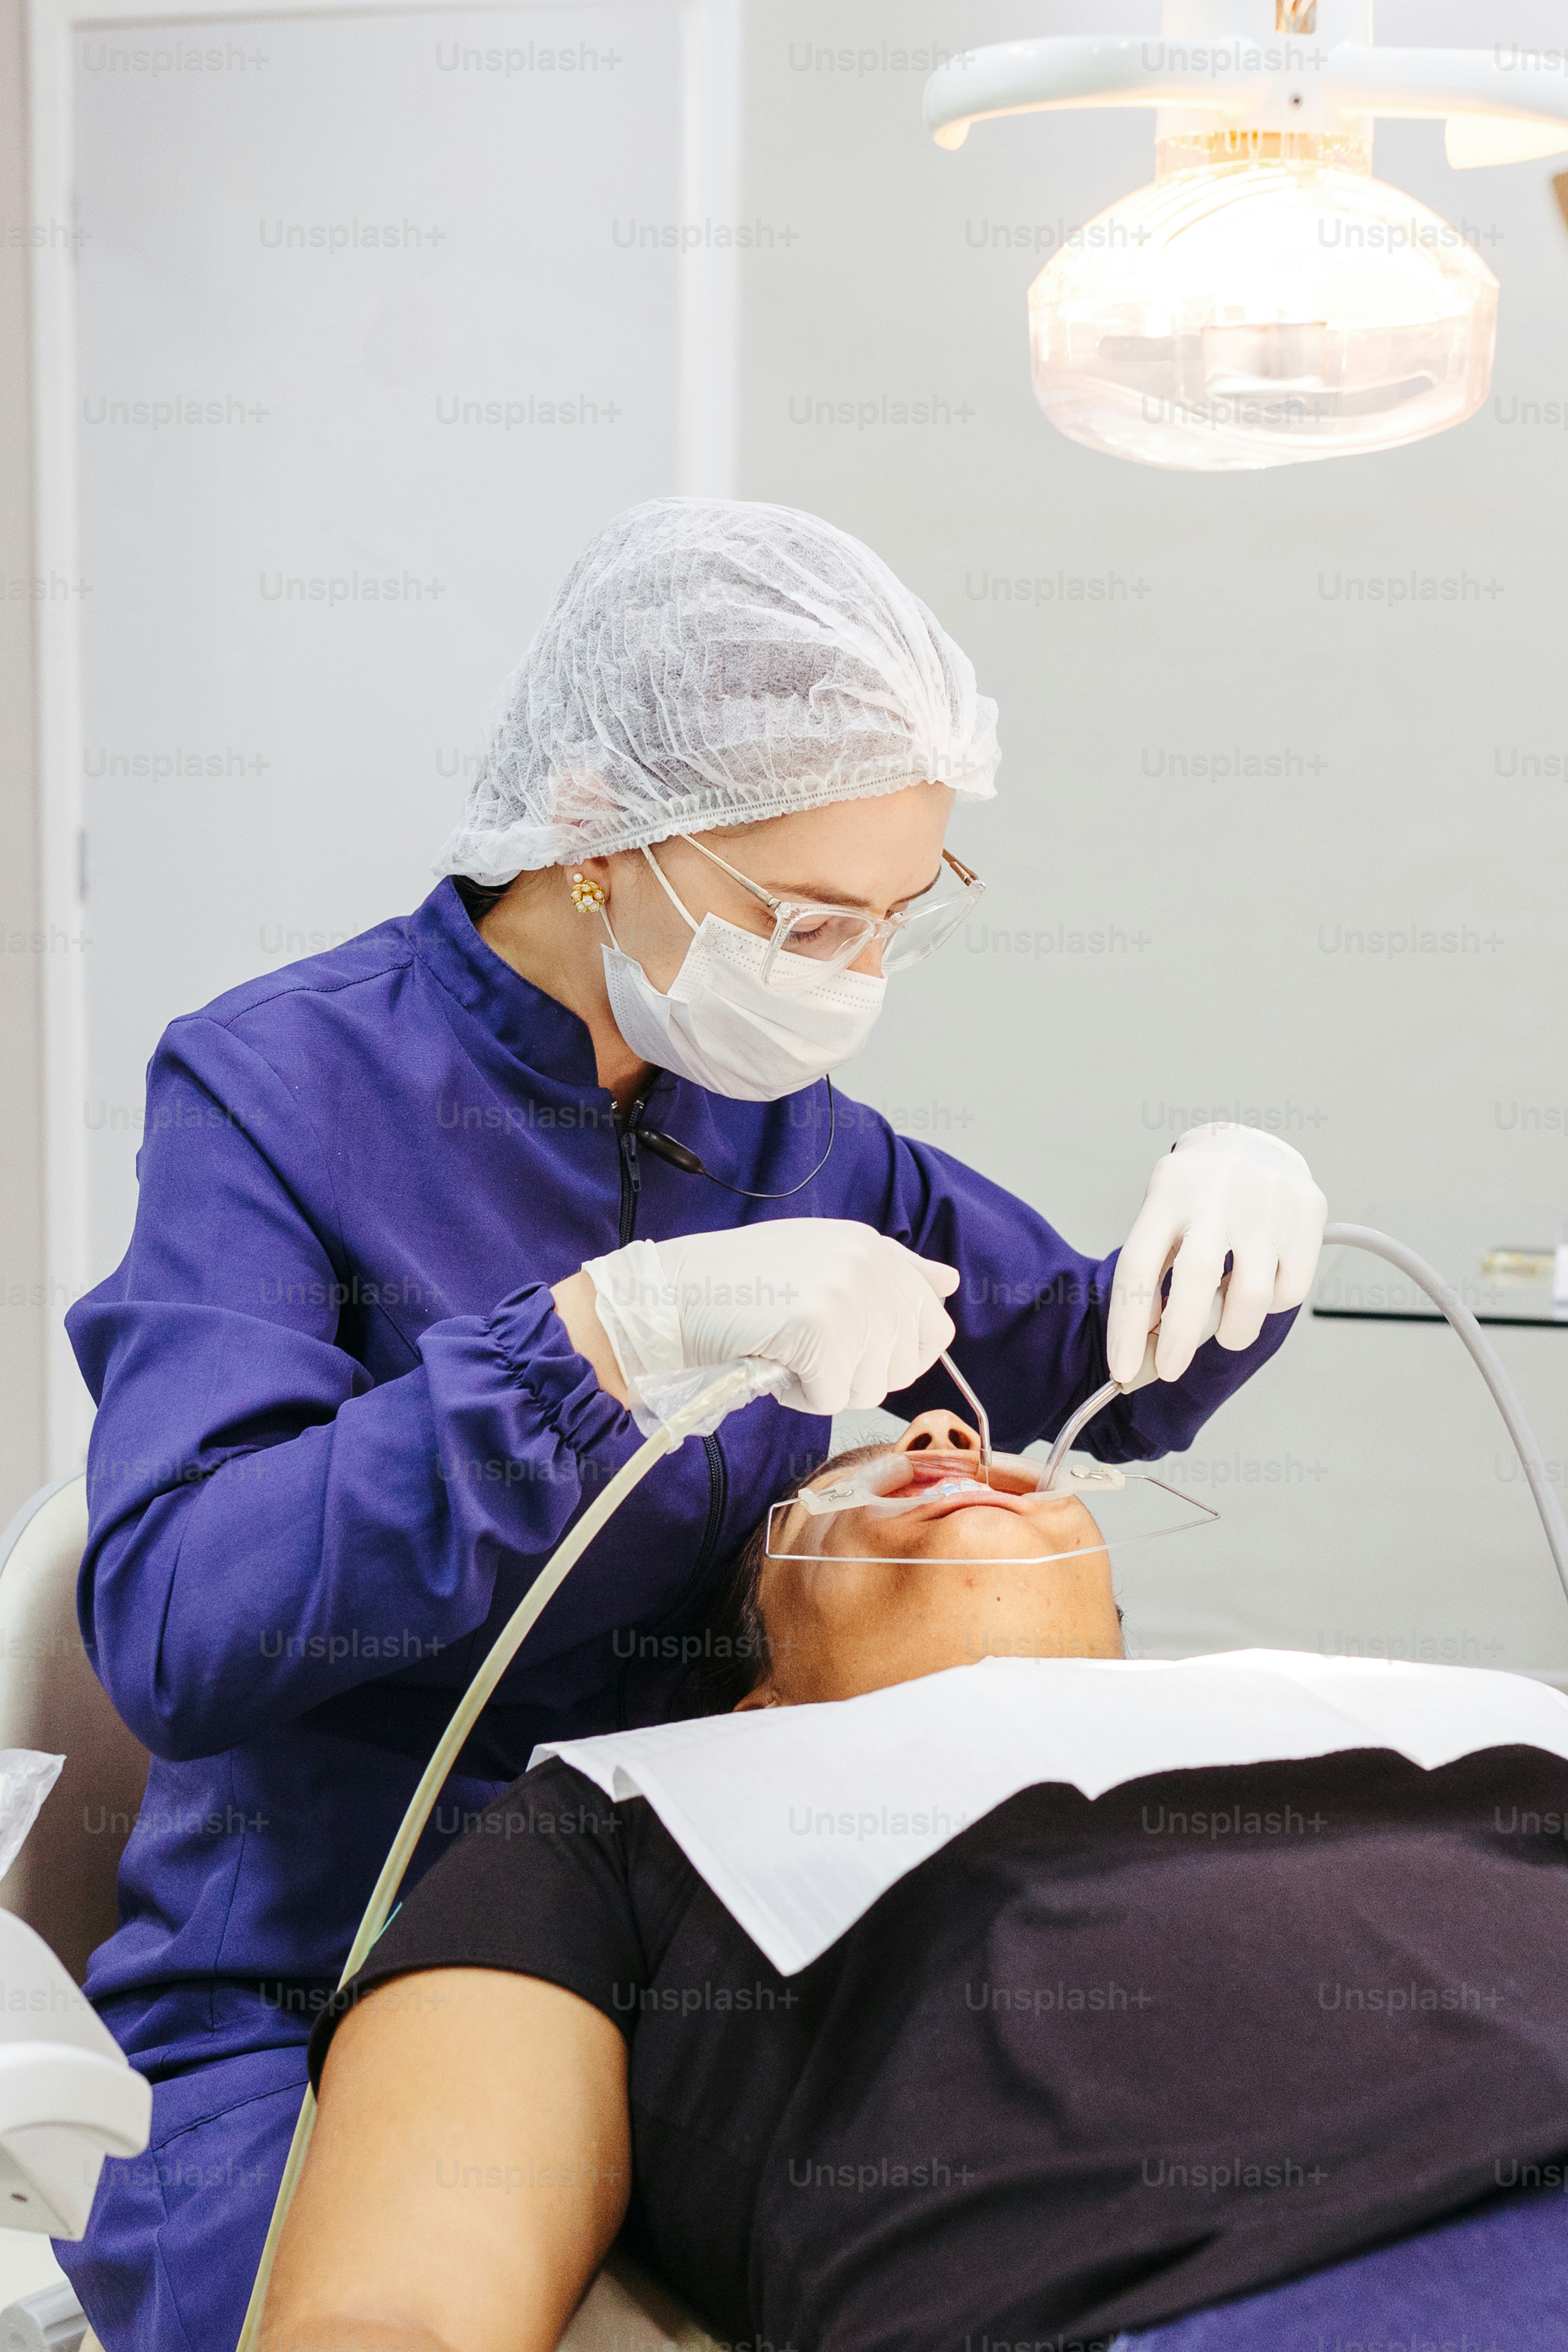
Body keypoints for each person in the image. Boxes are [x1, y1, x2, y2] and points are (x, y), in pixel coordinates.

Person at [58, 498, 1327, 2347]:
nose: (851, 976)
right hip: (325, 1967)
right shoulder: (279, 1089)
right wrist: (593, 1342)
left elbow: (1072, 1366)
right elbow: (181, 1620)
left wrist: (1233, 1229)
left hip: (711, 1951)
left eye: (898, 919)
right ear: (595, 832)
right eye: (806, 917)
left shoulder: (791, 1127)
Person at [263, 1414, 1568, 2352]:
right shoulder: (630, 1805)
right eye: (853, 1469)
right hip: (1256, 2288)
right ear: (757, 1687)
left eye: (982, 1436)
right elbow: (399, 2310)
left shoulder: (1427, 1702)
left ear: (1120, 1635)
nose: (948, 1431)